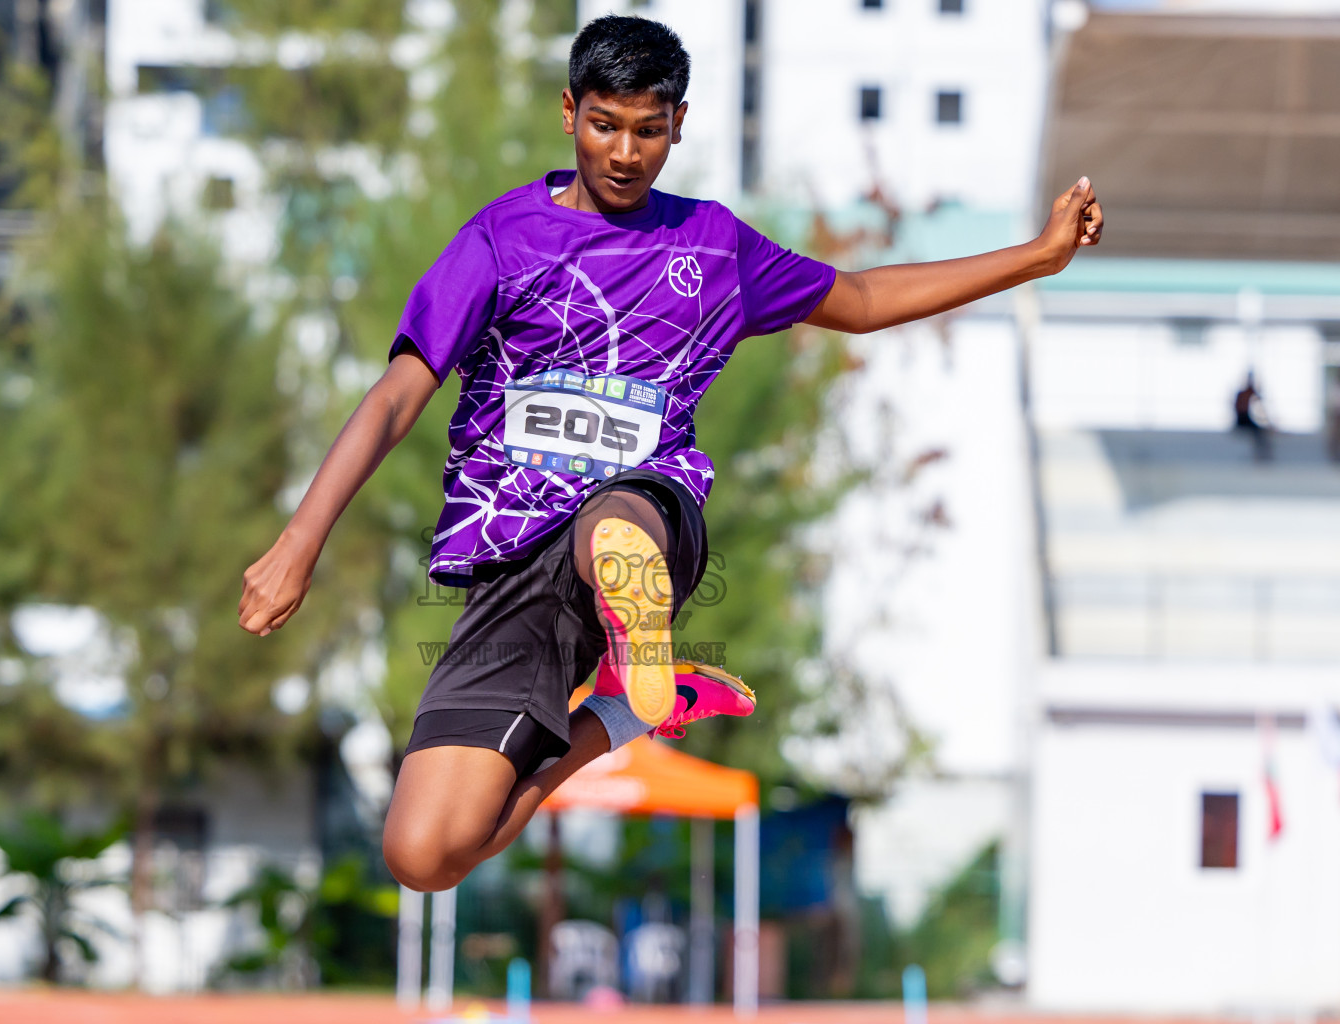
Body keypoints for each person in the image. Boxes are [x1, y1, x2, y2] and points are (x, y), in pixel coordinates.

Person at [238, 15, 1104, 892]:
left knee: (614, 527)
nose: (624, 152)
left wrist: (1035, 258)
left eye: (649, 130)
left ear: (679, 125)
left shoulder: (713, 246)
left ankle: (634, 603)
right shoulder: (502, 241)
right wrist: (299, 541)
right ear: (568, 112)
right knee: (425, 854)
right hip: (512, 559)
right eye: (604, 124)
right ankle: (620, 713)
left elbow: (865, 295)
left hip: (646, 513)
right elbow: (396, 393)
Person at [1234, 370, 1273, 461]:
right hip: (1242, 419)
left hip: (1246, 418)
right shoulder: (1243, 393)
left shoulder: (1251, 392)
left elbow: (1260, 405)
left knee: (1260, 432)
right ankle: (1260, 456)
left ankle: (1262, 455)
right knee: (1258, 432)